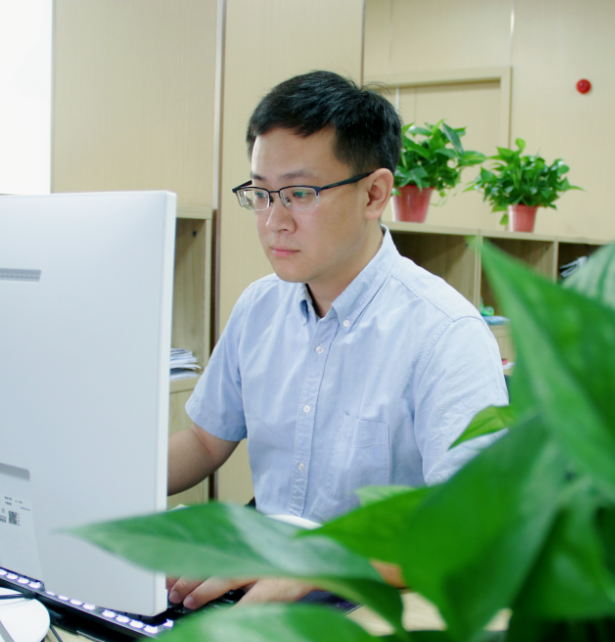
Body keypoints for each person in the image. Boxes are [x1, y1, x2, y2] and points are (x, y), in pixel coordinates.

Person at [165, 70, 508, 609]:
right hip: (261, 588)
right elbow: (206, 442)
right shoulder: (259, 307)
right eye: (260, 194)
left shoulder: (444, 333)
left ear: (374, 193)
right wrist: (101, 485)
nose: (274, 221)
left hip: (376, 607)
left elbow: (469, 528)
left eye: (300, 193)